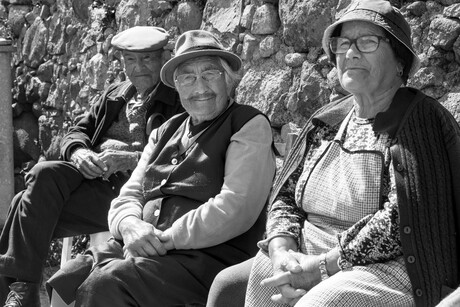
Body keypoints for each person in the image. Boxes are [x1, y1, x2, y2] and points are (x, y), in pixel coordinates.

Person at [208, 1, 460, 307]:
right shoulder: (327, 120)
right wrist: (281, 251)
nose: (351, 53)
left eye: (368, 42)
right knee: (239, 284)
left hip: (386, 265)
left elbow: (399, 221)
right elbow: (284, 197)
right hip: (308, 250)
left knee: (319, 303)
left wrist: (324, 267)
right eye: (342, 44)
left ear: (400, 62)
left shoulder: (419, 119)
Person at [45, 29, 276, 306]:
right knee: (69, 277)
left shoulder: (247, 124)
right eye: (188, 77)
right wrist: (129, 225)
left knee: (107, 284)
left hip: (206, 260)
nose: (200, 87)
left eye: (210, 74)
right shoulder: (165, 130)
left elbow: (236, 206)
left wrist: (161, 240)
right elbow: (131, 193)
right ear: (177, 86)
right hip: (144, 250)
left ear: (229, 79)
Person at [0, 26, 184, 307]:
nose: (138, 68)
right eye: (130, 60)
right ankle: (22, 290)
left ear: (163, 58)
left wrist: (130, 159)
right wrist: (79, 153)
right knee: (42, 173)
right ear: (122, 62)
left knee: (22, 204)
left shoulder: (177, 100)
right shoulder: (115, 94)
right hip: (90, 183)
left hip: (129, 196)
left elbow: (176, 156)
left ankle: (17, 292)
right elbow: (75, 132)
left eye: (147, 59)